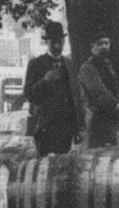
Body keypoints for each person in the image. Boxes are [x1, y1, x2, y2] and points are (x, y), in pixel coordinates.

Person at [24, 22, 81, 156]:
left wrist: (77, 128)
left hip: (65, 127)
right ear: (46, 42)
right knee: (45, 167)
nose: (57, 46)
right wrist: (44, 80)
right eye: (53, 42)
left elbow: (75, 97)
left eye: (60, 42)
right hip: (44, 126)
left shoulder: (69, 65)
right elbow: (29, 94)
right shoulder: (36, 64)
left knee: (62, 167)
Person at [76, 33, 119, 148]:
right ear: (92, 47)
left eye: (107, 43)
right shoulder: (87, 68)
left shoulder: (108, 66)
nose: (104, 46)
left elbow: (116, 92)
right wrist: (118, 107)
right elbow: (99, 92)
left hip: (112, 120)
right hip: (96, 122)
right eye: (100, 44)